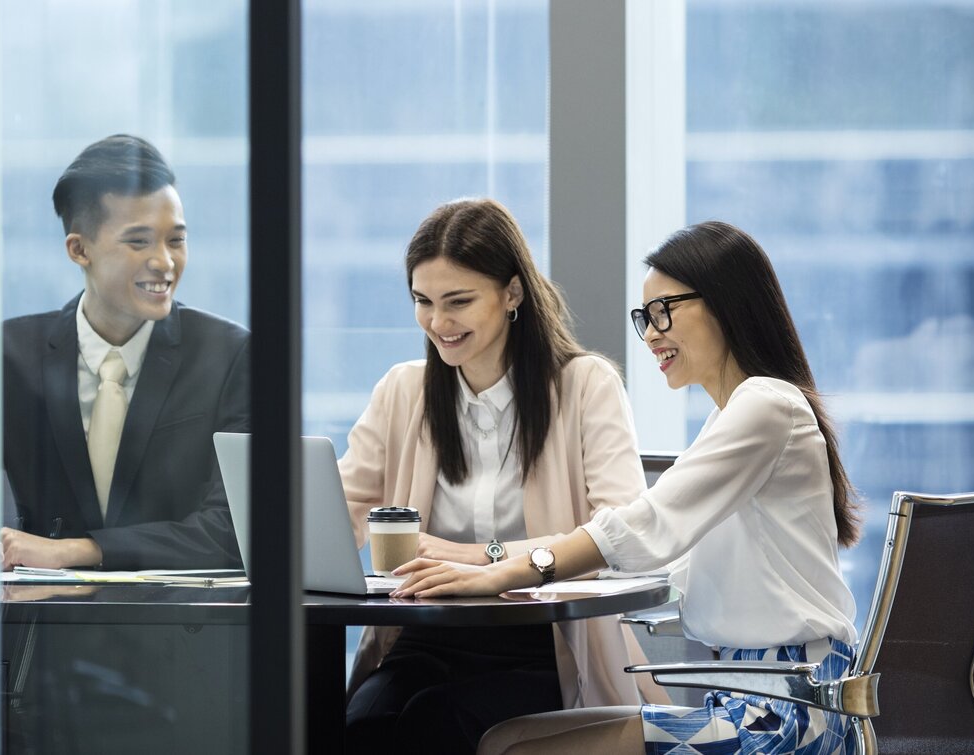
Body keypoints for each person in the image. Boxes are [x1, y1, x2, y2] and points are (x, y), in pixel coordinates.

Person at [394, 220, 861, 755]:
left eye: (664, 311)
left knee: (515, 751)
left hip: (790, 711)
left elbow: (641, 528)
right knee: (503, 738)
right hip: (747, 694)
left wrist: (498, 570)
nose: (652, 333)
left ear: (727, 302)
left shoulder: (766, 406)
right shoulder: (733, 416)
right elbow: (640, 554)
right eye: (646, 318)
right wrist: (485, 558)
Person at [338, 198, 666, 755]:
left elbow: (621, 535)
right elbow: (337, 515)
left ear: (512, 293)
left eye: (458, 301)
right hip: (426, 636)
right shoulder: (403, 390)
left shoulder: (585, 386)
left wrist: (486, 557)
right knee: (362, 723)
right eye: (423, 302)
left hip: (546, 643)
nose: (438, 323)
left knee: (434, 723)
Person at [0, 134, 250, 575]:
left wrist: (73, 551)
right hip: (55, 629)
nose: (165, 262)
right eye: (139, 242)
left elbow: (235, 531)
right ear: (80, 249)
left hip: (183, 630)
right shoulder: (13, 354)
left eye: (175, 240)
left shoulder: (229, 353)